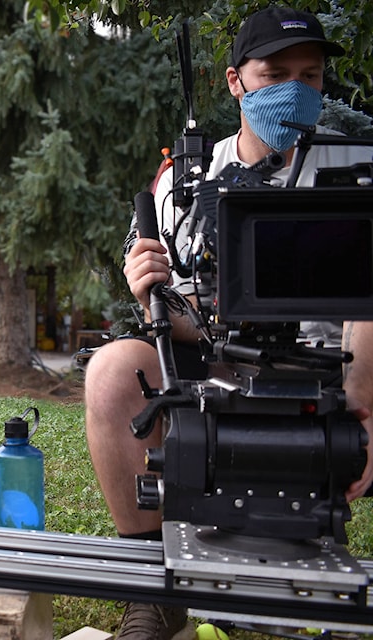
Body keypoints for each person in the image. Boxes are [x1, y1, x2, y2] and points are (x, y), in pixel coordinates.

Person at [84, 8, 373, 639]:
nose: (296, 89)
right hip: (221, 364)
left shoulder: (358, 162)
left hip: (341, 373)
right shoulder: (185, 180)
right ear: (235, 81)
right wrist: (153, 289)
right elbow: (182, 319)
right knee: (110, 372)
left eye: (311, 75)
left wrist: (365, 405)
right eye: (275, 74)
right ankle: (153, 588)